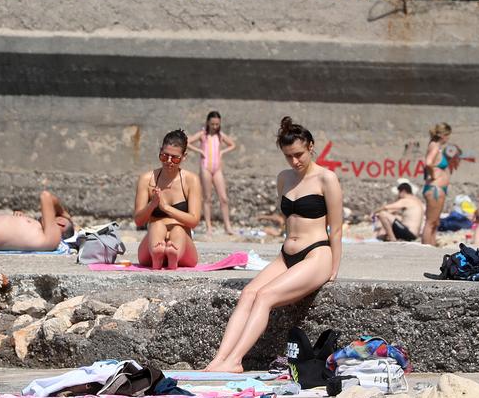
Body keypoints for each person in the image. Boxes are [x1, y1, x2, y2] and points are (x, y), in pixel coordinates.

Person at [204, 117, 342, 373]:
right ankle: (218, 360)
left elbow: (337, 227)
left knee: (265, 296)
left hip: (316, 254)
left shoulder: (327, 178)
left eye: (299, 154)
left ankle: (235, 361)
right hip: (286, 255)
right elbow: (288, 220)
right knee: (248, 294)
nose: (295, 161)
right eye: (289, 156)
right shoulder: (284, 178)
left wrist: (334, 267)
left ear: (311, 146)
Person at [135, 129, 202, 269]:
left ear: (184, 157)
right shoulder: (147, 179)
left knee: (178, 229)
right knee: (157, 225)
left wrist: (166, 208)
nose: (169, 162)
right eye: (164, 156)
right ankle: (158, 254)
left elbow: (194, 221)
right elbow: (138, 220)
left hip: (180, 242)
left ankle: (172, 255)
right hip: (154, 240)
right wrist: (152, 205)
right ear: (160, 152)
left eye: (175, 158)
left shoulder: (191, 180)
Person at [190, 111, 238, 236]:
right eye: (212, 124)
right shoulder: (203, 134)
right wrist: (199, 150)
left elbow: (233, 144)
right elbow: (188, 142)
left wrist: (222, 152)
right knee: (207, 198)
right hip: (205, 167)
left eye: (217, 124)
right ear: (208, 123)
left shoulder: (220, 135)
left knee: (224, 198)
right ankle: (208, 227)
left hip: (217, 169)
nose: (215, 126)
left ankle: (228, 226)